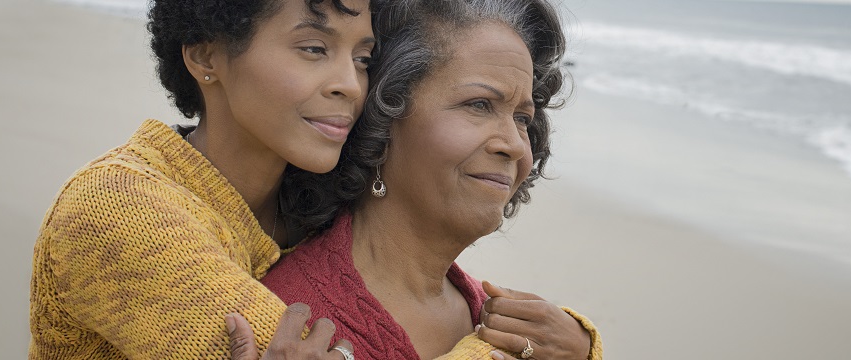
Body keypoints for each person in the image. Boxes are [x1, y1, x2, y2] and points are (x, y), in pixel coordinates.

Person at [259, 0, 604, 359]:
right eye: (479, 105)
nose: (515, 146)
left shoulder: (511, 327)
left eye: (522, 118)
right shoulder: (287, 326)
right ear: (382, 120)